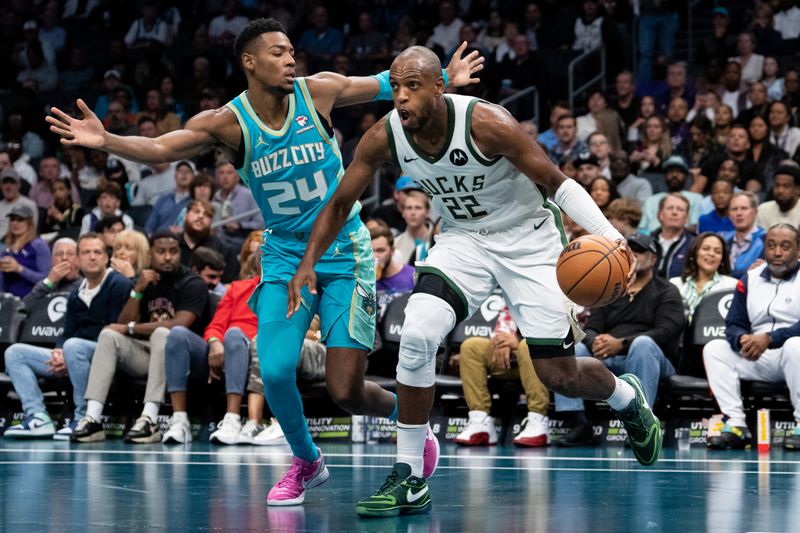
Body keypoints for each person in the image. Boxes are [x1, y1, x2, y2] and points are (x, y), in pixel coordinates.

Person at [48, 18, 482, 505]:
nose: (291, 59)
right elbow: (160, 148)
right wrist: (107, 140)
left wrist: (445, 77)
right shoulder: (226, 123)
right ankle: (306, 461)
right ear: (249, 62)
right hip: (282, 255)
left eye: (292, 50)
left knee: (346, 390)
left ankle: (411, 418)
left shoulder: (318, 92)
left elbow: (393, 84)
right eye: (278, 52)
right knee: (274, 370)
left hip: (345, 251)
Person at [287, 46, 663, 518]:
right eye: (396, 87)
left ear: (440, 86)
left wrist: (612, 238)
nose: (400, 98)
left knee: (557, 374)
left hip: (530, 243)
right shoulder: (384, 136)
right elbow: (340, 203)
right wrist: (307, 262)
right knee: (419, 332)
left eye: (413, 87)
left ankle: (627, 398)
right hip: (463, 241)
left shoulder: (487, 123)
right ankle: (410, 474)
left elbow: (556, 180)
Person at [71, 231, 211, 444]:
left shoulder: (192, 283)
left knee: (163, 333)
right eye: (161, 252)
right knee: (108, 335)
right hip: (148, 356)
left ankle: (150, 418)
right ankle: (92, 418)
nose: (167, 257)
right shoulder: (144, 281)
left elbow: (179, 325)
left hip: (185, 359)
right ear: (150, 255)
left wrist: (131, 328)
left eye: (173, 252)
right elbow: (120, 323)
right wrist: (137, 290)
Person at [555, 233, 683, 446]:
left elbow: (666, 331)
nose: (632, 255)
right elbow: (591, 328)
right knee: (574, 349)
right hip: (609, 357)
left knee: (643, 344)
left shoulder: (666, 290)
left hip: (654, 360)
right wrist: (595, 342)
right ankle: (578, 424)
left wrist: (621, 343)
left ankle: (642, 423)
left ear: (653, 259)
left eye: (639, 251)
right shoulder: (610, 287)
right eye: (628, 251)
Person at [3, 234, 131, 439]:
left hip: (107, 355)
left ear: (106, 258)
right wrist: (60, 352)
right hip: (74, 353)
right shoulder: (76, 293)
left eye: (97, 252)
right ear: (80, 260)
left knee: (74, 347)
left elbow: (117, 331)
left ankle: (84, 417)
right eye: (86, 253)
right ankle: (37, 417)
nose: (92, 257)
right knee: (14, 353)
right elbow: (67, 332)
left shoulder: (118, 284)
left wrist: (70, 353)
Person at [704, 224, 800, 450]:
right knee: (715, 348)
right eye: (771, 246)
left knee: (796, 345)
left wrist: (769, 338)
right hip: (758, 355)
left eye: (785, 247)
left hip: (794, 356)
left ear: (798, 249)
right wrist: (741, 340)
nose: (777, 252)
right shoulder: (750, 278)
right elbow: (733, 324)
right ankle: (736, 424)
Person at [161, 250, 259, 445]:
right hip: (223, 350)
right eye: (265, 260)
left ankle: (232, 419)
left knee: (234, 334)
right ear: (257, 265)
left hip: (254, 351)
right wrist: (214, 343)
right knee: (177, 334)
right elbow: (216, 325)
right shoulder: (238, 289)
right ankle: (180, 421)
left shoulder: (287, 291)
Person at [454, 304, 550, 447]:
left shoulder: (559, 293)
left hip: (544, 359)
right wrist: (502, 341)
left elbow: (558, 333)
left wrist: (516, 341)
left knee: (528, 345)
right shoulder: (517, 293)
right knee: (471, 347)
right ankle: (480, 420)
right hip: (511, 359)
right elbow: (504, 326)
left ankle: (538, 419)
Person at [669, 232, 737, 324]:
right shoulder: (675, 284)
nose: (711, 254)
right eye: (706, 249)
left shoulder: (732, 286)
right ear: (694, 253)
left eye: (717, 252)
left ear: (722, 259)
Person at [638, 155, 703, 233]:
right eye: (670, 171)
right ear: (665, 175)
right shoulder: (651, 200)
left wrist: (670, 233)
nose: (674, 175)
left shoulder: (696, 198)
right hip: (651, 241)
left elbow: (695, 228)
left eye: (679, 171)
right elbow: (641, 229)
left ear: (686, 176)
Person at [0, 205, 51, 298]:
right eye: (13, 219)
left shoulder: (38, 245)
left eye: (20, 220)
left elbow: (48, 280)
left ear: (29, 223)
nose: (15, 223)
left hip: (32, 301)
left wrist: (19, 269)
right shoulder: (5, 248)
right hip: (7, 302)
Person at [22, 238, 81, 310]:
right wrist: (50, 281)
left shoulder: (86, 285)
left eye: (71, 254)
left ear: (79, 259)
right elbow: (24, 307)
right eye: (59, 254)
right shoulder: (46, 283)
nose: (64, 258)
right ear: (52, 260)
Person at [721, 191, 766, 278]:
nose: (739, 213)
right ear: (729, 215)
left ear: (755, 212)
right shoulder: (723, 240)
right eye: (734, 209)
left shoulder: (766, 240)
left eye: (744, 208)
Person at [651, 193, 695, 279]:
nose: (674, 212)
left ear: (687, 218)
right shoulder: (646, 244)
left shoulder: (694, 245)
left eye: (680, 209)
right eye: (670, 208)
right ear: (660, 215)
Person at [144, 160, 194, 234]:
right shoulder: (163, 198)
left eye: (188, 171)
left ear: (193, 176)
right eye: (180, 171)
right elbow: (150, 226)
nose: (184, 174)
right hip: (159, 239)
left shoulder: (194, 201)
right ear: (175, 175)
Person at [371, 224, 414, 294]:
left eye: (380, 250)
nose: (375, 256)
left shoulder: (412, 276)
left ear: (392, 251)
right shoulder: (364, 279)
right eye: (371, 251)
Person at [393, 190, 433, 264]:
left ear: (427, 212)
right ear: (403, 213)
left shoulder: (438, 240)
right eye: (408, 208)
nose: (413, 212)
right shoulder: (395, 244)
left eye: (418, 208)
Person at [0, 169, 38, 236]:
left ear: (18, 185)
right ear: (1, 185)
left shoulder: (28, 204)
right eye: (5, 182)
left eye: (12, 182)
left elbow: (32, 231)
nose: (8, 186)